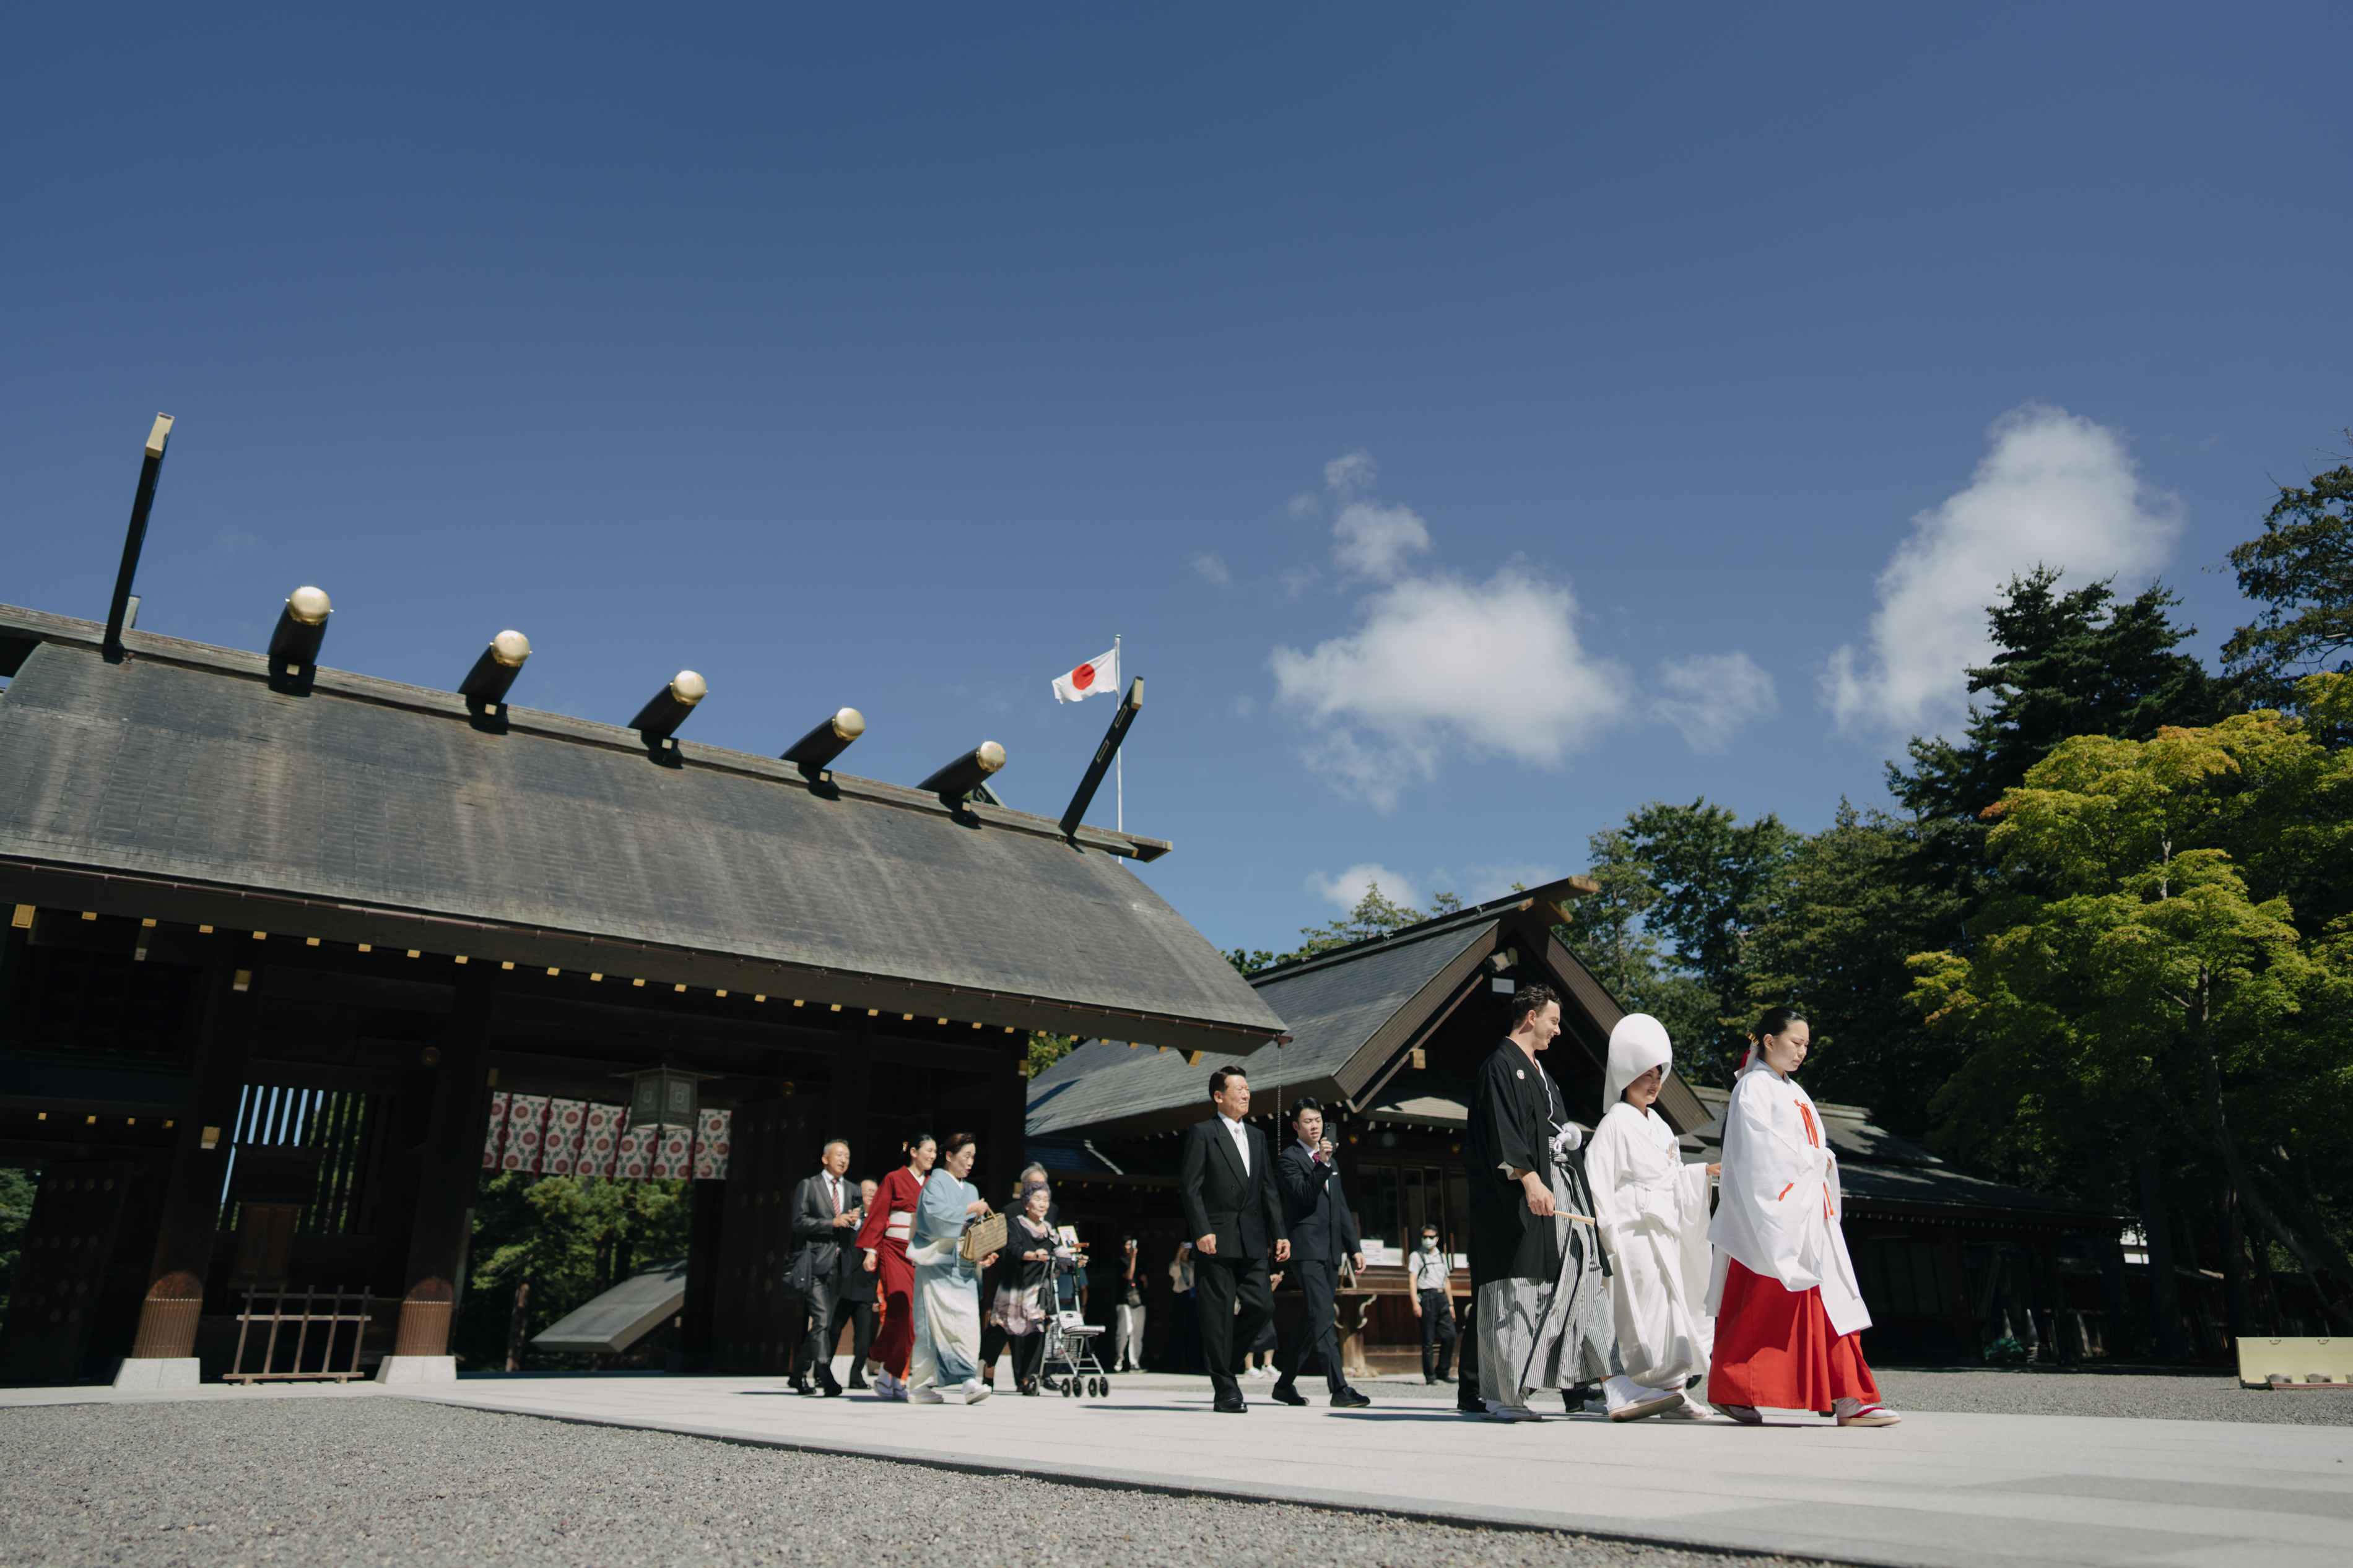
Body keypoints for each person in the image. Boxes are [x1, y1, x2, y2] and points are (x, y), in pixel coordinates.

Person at [1707, 1007, 1900, 1427]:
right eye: (1796, 1042)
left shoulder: (1793, 1090)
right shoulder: (1753, 1088)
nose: (1802, 1052)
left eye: (1807, 1045)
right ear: (1769, 1041)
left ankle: (1851, 1396)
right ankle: (1739, 1389)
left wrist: (1818, 1163)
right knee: (1764, 1307)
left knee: (1834, 1302)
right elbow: (1758, 1155)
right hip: (1772, 1217)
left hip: (1806, 1211)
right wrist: (1814, 1162)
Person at [1464, 984, 1614, 1422]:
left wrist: (1567, 1138)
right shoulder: (1500, 1065)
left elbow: (1550, 1126)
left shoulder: (1541, 1072)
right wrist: (1528, 1177)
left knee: (1580, 1276)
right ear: (1531, 1017)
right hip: (1520, 1193)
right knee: (1516, 1290)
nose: (1558, 1030)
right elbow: (1502, 1130)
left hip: (1559, 1184)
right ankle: (1503, 1394)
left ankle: (1600, 1381)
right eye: (1554, 1020)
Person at [1585, 1013, 1718, 1421]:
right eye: (1646, 1074)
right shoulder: (1614, 1124)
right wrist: (1605, 1236)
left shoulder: (1661, 1126)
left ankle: (1674, 1390)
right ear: (1627, 1076)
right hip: (1632, 1231)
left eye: (1659, 1076)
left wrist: (1701, 1173)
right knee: (1639, 1310)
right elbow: (1597, 1181)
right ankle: (1639, 1387)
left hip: (1664, 1227)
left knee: (1672, 1308)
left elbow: (1674, 1178)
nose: (1655, 1083)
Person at [1177, 1063, 1289, 1413]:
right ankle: (1226, 1390)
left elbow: (1269, 1189)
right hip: (1216, 1236)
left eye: (1248, 1089)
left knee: (1263, 1306)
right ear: (1218, 1096)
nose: (1246, 1093)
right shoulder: (1203, 1132)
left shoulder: (1256, 1136)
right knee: (1218, 1314)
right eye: (1238, 1088)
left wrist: (1280, 1234)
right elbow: (1190, 1187)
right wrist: (1201, 1230)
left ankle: (1224, 1364)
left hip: (1253, 1237)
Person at [1272, 1098, 1372, 1408]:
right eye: (1307, 1122)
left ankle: (1284, 1385)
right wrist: (1323, 1164)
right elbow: (1304, 1194)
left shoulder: (1331, 1162)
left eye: (1318, 1121)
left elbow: (1340, 1207)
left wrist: (1354, 1248)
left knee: (1312, 1316)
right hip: (1306, 1250)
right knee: (1325, 1314)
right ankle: (1339, 1388)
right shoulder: (1288, 1159)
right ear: (1296, 1126)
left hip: (1330, 1250)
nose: (1314, 1127)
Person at [908, 1132, 998, 1405]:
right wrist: (970, 1208)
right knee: (932, 1324)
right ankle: (923, 1385)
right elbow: (934, 1219)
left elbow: (975, 1231)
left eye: (973, 1157)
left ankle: (968, 1379)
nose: (970, 1163)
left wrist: (984, 1253)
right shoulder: (935, 1183)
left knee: (967, 1321)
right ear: (949, 1156)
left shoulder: (971, 1189)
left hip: (965, 1264)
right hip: (937, 1263)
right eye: (966, 1156)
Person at [856, 1134, 936, 1401]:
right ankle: (884, 1366)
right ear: (913, 1152)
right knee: (900, 1309)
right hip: (893, 1250)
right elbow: (879, 1212)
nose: (933, 1156)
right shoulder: (893, 1178)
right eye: (929, 1150)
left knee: (914, 1319)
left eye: (935, 1152)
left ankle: (890, 1376)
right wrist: (871, 1250)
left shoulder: (932, 1184)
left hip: (921, 1254)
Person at [788, 1138, 864, 1397]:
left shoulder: (853, 1189)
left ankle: (797, 1374)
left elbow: (858, 1223)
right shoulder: (809, 1186)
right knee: (821, 1319)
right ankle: (826, 1375)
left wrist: (854, 1221)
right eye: (839, 1155)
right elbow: (798, 1221)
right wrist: (831, 1222)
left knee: (824, 1323)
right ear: (825, 1158)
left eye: (847, 1157)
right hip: (815, 1262)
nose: (843, 1160)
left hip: (841, 1264)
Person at [992, 1179, 1072, 1393]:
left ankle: (1029, 1378)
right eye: (1038, 1199)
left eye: (1046, 1199)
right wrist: (1034, 1255)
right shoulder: (1017, 1224)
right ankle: (989, 1374)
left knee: (1038, 1331)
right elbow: (1014, 1249)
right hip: (1016, 1288)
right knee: (1005, 1331)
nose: (1043, 1204)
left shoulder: (1050, 1230)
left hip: (1038, 1290)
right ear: (1026, 1203)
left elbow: (1061, 1252)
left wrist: (1075, 1260)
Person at [842, 1177, 881, 1390]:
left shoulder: (880, 1219)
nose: (871, 1195)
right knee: (833, 1329)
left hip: (867, 1284)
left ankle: (856, 1376)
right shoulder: (849, 1214)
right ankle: (821, 1372)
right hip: (846, 1281)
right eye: (867, 1191)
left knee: (864, 1336)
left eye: (875, 1191)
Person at [1407, 1223, 1457, 1384]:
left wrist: (1451, 1305)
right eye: (1425, 1237)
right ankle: (1430, 1376)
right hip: (1426, 1297)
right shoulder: (1417, 1256)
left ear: (1437, 1239)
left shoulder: (1442, 1256)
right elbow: (1412, 1280)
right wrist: (1415, 1303)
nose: (1428, 1240)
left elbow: (1447, 1281)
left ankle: (1443, 1370)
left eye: (1431, 1237)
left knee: (1450, 1335)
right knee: (1428, 1340)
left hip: (1442, 1297)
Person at [1112, 1237, 1147, 1372]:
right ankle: (1119, 1356)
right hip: (1124, 1300)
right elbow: (1128, 1276)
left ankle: (1135, 1362)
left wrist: (1145, 1281)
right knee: (1125, 1330)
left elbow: (1145, 1285)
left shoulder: (1141, 1263)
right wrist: (1133, 1258)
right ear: (1123, 1247)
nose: (1130, 1248)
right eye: (1128, 1245)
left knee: (1137, 1333)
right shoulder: (1120, 1262)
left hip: (1139, 1300)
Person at [1167, 1240, 1200, 1373]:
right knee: (1178, 1330)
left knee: (1193, 1331)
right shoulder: (1176, 1264)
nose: (1186, 1250)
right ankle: (1175, 1363)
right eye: (1183, 1247)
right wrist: (1179, 1253)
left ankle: (1193, 1363)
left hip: (1193, 1298)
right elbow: (1174, 1273)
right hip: (1181, 1297)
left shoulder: (1194, 1264)